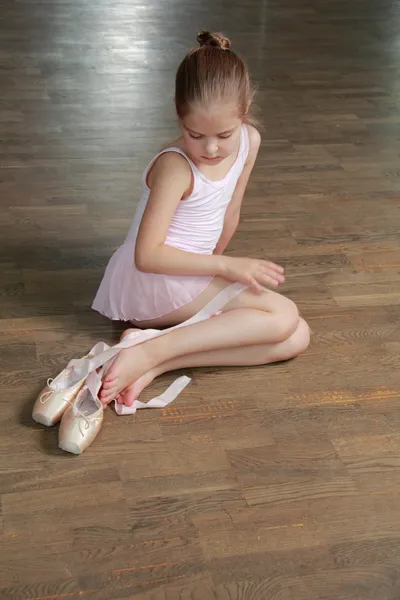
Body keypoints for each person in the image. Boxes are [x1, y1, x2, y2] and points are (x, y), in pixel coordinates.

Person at [92, 30, 310, 408]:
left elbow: (230, 212)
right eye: (195, 134)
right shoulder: (175, 166)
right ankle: (149, 351)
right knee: (283, 314)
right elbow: (148, 256)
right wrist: (225, 267)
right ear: (179, 114)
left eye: (223, 135)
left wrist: (219, 277)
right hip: (152, 282)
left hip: (191, 274)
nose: (210, 148)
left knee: (296, 337)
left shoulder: (249, 141)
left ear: (244, 112)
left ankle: (152, 360)